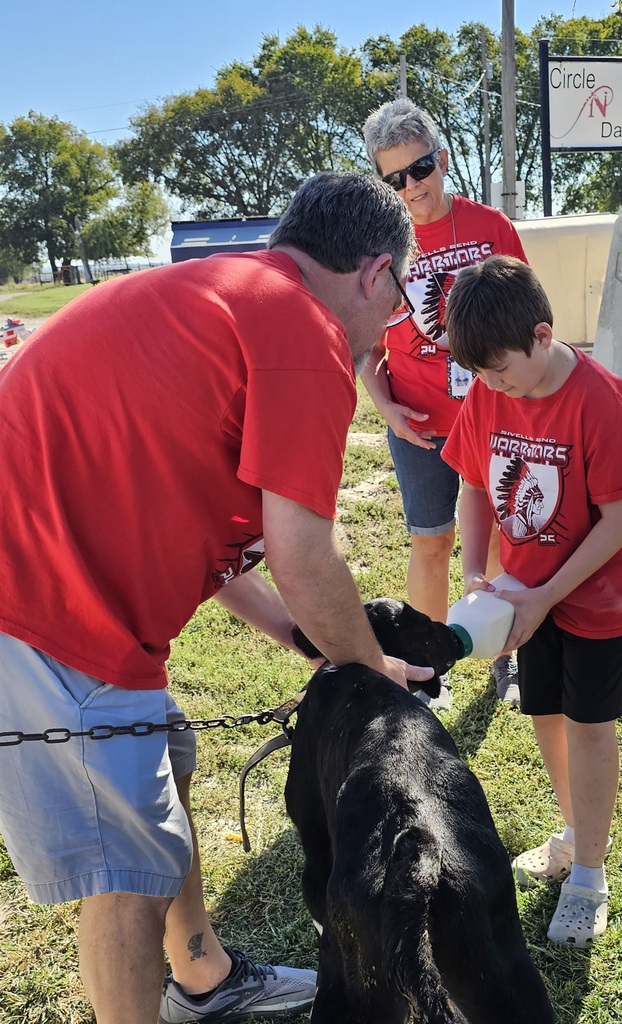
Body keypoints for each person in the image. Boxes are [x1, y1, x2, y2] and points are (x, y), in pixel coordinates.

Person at [0, 172, 435, 1024]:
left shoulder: (227, 295)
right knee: (125, 871)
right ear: (375, 272)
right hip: (45, 608)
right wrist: (370, 671)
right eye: (393, 305)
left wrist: (301, 640)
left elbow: (224, 538)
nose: (387, 331)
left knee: (169, 763)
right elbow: (305, 554)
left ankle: (201, 974)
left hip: (68, 588)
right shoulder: (301, 331)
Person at [441, 254, 622, 946]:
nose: (494, 387)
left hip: (595, 599)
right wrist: (477, 570)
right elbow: (474, 483)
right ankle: (571, 832)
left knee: (589, 725)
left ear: (541, 334)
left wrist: (543, 596)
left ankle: (590, 873)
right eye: (480, 375)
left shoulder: (599, 396)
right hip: (523, 596)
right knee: (545, 712)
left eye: (502, 371)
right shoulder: (488, 391)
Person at [361, 97, 528, 709]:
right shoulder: (376, 249)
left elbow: (527, 320)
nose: (412, 187)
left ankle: (506, 657)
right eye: (395, 177)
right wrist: (385, 408)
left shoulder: (493, 229)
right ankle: (427, 669)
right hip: (420, 426)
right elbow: (364, 350)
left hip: (495, 420)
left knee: (502, 543)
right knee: (431, 542)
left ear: (444, 160)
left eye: (421, 168)